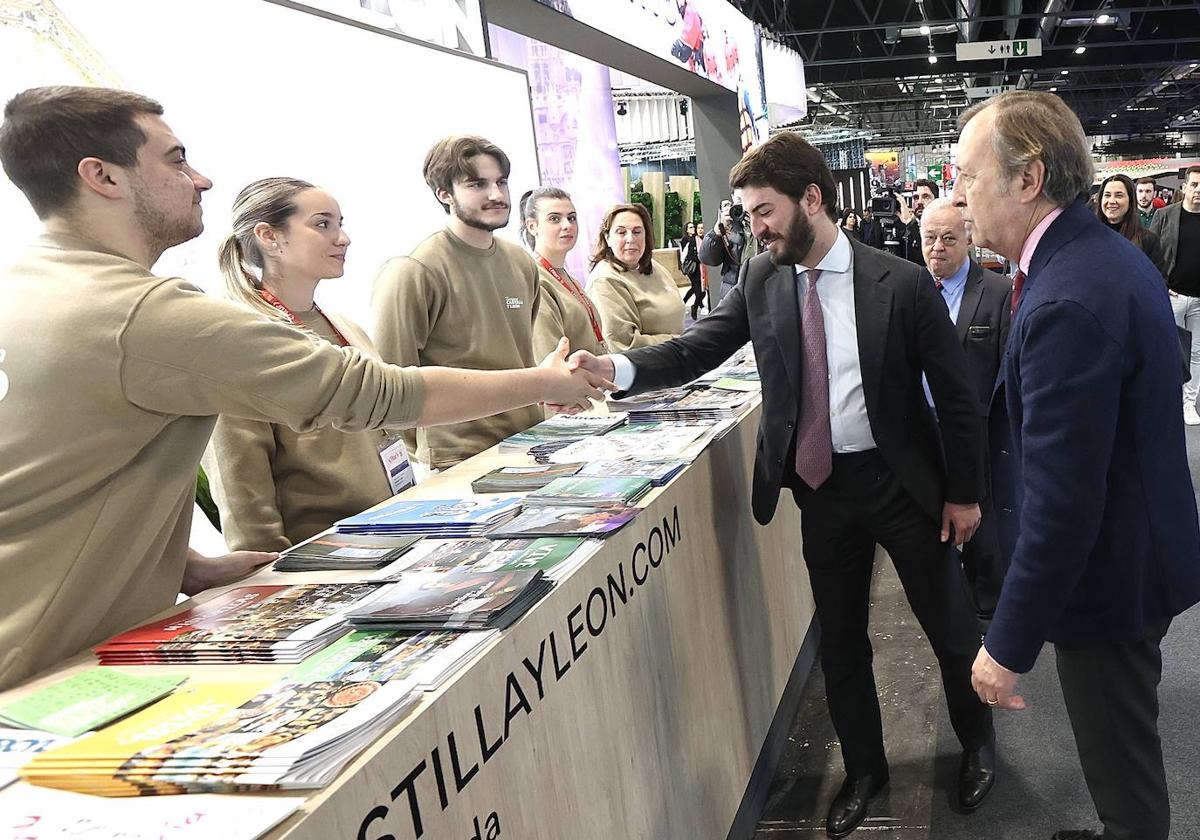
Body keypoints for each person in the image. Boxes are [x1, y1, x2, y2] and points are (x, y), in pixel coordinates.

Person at [0, 86, 608, 691]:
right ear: (102, 176)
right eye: (176, 159)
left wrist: (182, 564)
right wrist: (546, 382)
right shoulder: (140, 312)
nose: (202, 179)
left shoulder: (36, 287)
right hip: (48, 657)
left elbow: (64, 467)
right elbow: (376, 392)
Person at [564, 131, 994, 838]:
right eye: (750, 214)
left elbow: (956, 398)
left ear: (812, 200)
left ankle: (976, 743)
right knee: (843, 642)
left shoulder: (901, 283)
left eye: (764, 211)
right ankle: (864, 770)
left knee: (947, 627)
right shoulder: (764, 278)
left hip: (903, 484)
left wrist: (965, 493)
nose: (753, 228)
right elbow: (701, 344)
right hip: (820, 489)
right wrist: (623, 370)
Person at [955, 91, 1200, 840]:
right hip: (1136, 549)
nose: (959, 196)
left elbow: (1064, 503)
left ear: (1027, 179)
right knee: (1121, 746)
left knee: (1122, 769)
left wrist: (1007, 644)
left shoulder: (1068, 293)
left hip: (1110, 575)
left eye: (967, 175)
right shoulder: (1100, 257)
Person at [203, 178, 410, 553]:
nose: (343, 238)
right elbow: (241, 481)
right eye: (322, 224)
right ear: (269, 236)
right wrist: (265, 567)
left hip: (391, 531)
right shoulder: (242, 339)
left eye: (340, 223)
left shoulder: (345, 325)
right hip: (324, 554)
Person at [372, 135, 545, 471]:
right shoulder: (414, 269)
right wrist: (428, 448)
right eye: (477, 184)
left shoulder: (521, 263)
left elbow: (522, 349)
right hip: (459, 459)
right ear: (444, 194)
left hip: (531, 441)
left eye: (501, 182)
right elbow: (392, 380)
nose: (496, 194)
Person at [919, 198, 1012, 620]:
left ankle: (988, 608)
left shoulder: (997, 292)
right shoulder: (911, 290)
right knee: (928, 525)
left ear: (968, 240)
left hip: (979, 435)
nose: (937, 247)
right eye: (929, 238)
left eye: (948, 238)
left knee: (981, 525)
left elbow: (1009, 370)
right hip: (922, 430)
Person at [520, 186, 608, 359]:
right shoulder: (535, 281)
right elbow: (549, 358)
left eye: (571, 218)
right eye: (554, 219)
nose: (567, 225)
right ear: (532, 226)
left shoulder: (569, 279)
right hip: (569, 383)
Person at [587, 203, 685, 352]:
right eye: (621, 232)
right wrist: (681, 341)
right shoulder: (605, 280)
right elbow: (623, 344)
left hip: (676, 359)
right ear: (607, 238)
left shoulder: (654, 267)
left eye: (637, 231)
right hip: (643, 369)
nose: (630, 239)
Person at [1150, 165, 1200, 425]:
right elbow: (1152, 252)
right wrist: (1158, 282)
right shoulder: (1165, 215)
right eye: (1194, 185)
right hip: (1173, 296)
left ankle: (1189, 403)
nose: (1199, 190)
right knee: (1169, 351)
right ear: (1185, 187)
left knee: (1196, 355)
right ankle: (1167, 399)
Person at [1096, 173, 1166, 277]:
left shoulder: (1147, 240)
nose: (1111, 201)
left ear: (1130, 200)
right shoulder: (1088, 237)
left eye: (1119, 195)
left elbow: (1158, 281)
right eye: (1107, 195)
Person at [699, 198, 746, 308]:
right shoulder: (729, 226)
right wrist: (717, 232)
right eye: (738, 200)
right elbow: (708, 259)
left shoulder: (762, 223)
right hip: (733, 296)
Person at [896, 178, 939, 266]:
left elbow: (926, 259)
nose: (919, 202)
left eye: (925, 197)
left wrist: (910, 224)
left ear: (936, 200)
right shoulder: (904, 226)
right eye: (915, 198)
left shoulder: (943, 226)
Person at [678, 220, 704, 319]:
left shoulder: (696, 239)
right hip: (692, 267)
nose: (693, 229)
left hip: (697, 267)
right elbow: (685, 255)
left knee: (695, 288)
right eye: (691, 227)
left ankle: (685, 303)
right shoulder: (687, 240)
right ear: (686, 230)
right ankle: (695, 305)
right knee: (698, 289)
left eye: (694, 227)